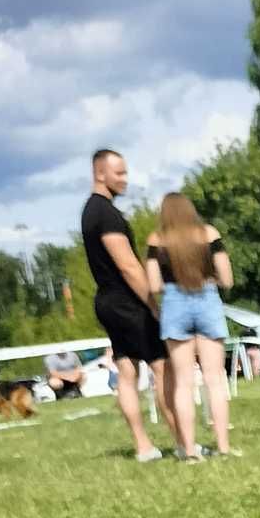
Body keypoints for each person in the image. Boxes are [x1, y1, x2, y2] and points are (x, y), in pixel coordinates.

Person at [81, 149, 168, 462]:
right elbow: (129, 266)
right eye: (119, 173)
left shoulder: (89, 211)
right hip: (126, 300)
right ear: (100, 173)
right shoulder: (106, 215)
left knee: (127, 372)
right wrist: (152, 304)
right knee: (162, 368)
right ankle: (184, 441)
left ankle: (143, 446)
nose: (125, 179)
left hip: (106, 300)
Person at [144, 191, 231, 460]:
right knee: (214, 380)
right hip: (207, 300)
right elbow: (227, 278)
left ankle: (190, 451)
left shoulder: (156, 240)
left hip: (174, 303)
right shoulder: (209, 233)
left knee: (183, 383)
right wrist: (210, 281)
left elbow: (154, 285)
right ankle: (223, 447)